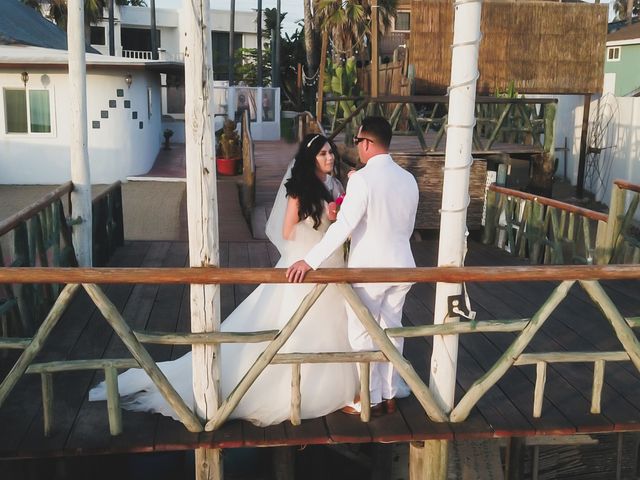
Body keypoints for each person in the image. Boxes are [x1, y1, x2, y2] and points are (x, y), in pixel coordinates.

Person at [89, 134, 357, 427]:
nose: (329, 158)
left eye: (331, 152)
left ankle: (337, 384)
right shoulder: (299, 191)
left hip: (331, 263)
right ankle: (293, 387)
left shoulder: (336, 186)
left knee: (331, 323)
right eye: (323, 154)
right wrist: (316, 223)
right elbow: (287, 232)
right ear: (311, 159)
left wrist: (334, 214)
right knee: (297, 325)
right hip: (305, 264)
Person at [287, 116, 419, 415]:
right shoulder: (408, 179)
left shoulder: (362, 179)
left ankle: (368, 398)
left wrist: (309, 260)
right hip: (404, 266)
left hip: (369, 270)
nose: (356, 147)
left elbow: (343, 226)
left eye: (358, 141)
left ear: (368, 143)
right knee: (392, 329)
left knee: (362, 333)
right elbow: (407, 226)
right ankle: (390, 393)